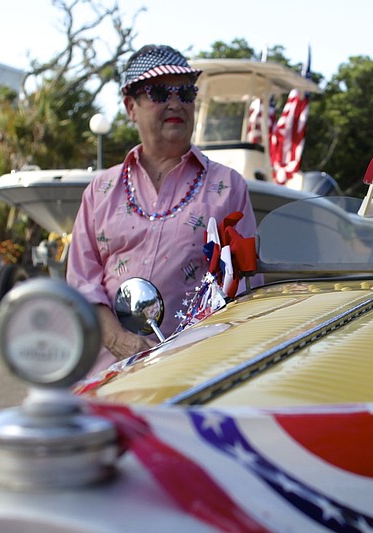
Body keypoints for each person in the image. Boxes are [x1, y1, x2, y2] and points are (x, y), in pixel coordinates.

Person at [66, 45, 259, 376]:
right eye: (158, 92)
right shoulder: (100, 190)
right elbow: (82, 282)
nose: (175, 103)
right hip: (105, 375)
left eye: (185, 92)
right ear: (131, 107)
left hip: (194, 375)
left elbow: (244, 288)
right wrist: (118, 339)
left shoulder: (229, 187)